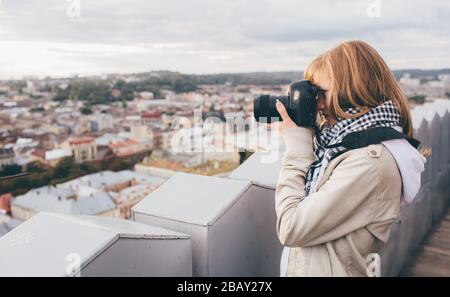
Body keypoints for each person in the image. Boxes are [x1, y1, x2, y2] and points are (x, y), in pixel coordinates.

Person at [275, 40, 427, 277]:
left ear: (354, 90)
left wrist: (296, 149)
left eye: (321, 93)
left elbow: (291, 227)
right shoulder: (342, 144)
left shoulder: (369, 164)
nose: (318, 104)